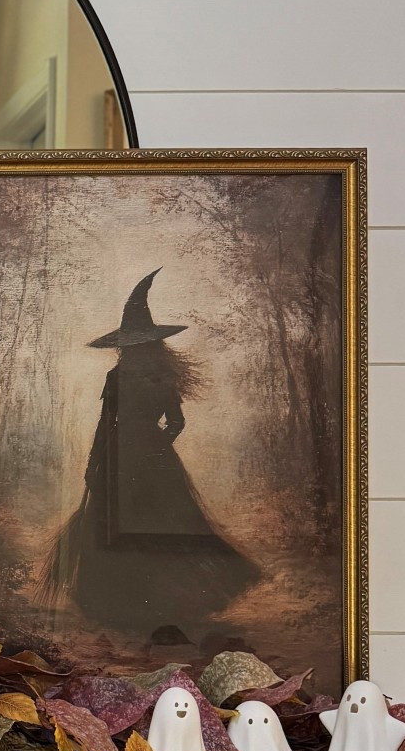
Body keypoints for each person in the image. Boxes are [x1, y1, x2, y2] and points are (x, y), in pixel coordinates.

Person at [41, 270, 257, 643]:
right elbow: (170, 423)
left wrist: (140, 451)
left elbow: (161, 422)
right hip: (129, 460)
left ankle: (150, 608)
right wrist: (151, 447)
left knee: (156, 527)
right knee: (119, 527)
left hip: (130, 459)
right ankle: (131, 605)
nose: (134, 350)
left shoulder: (138, 376)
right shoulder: (139, 376)